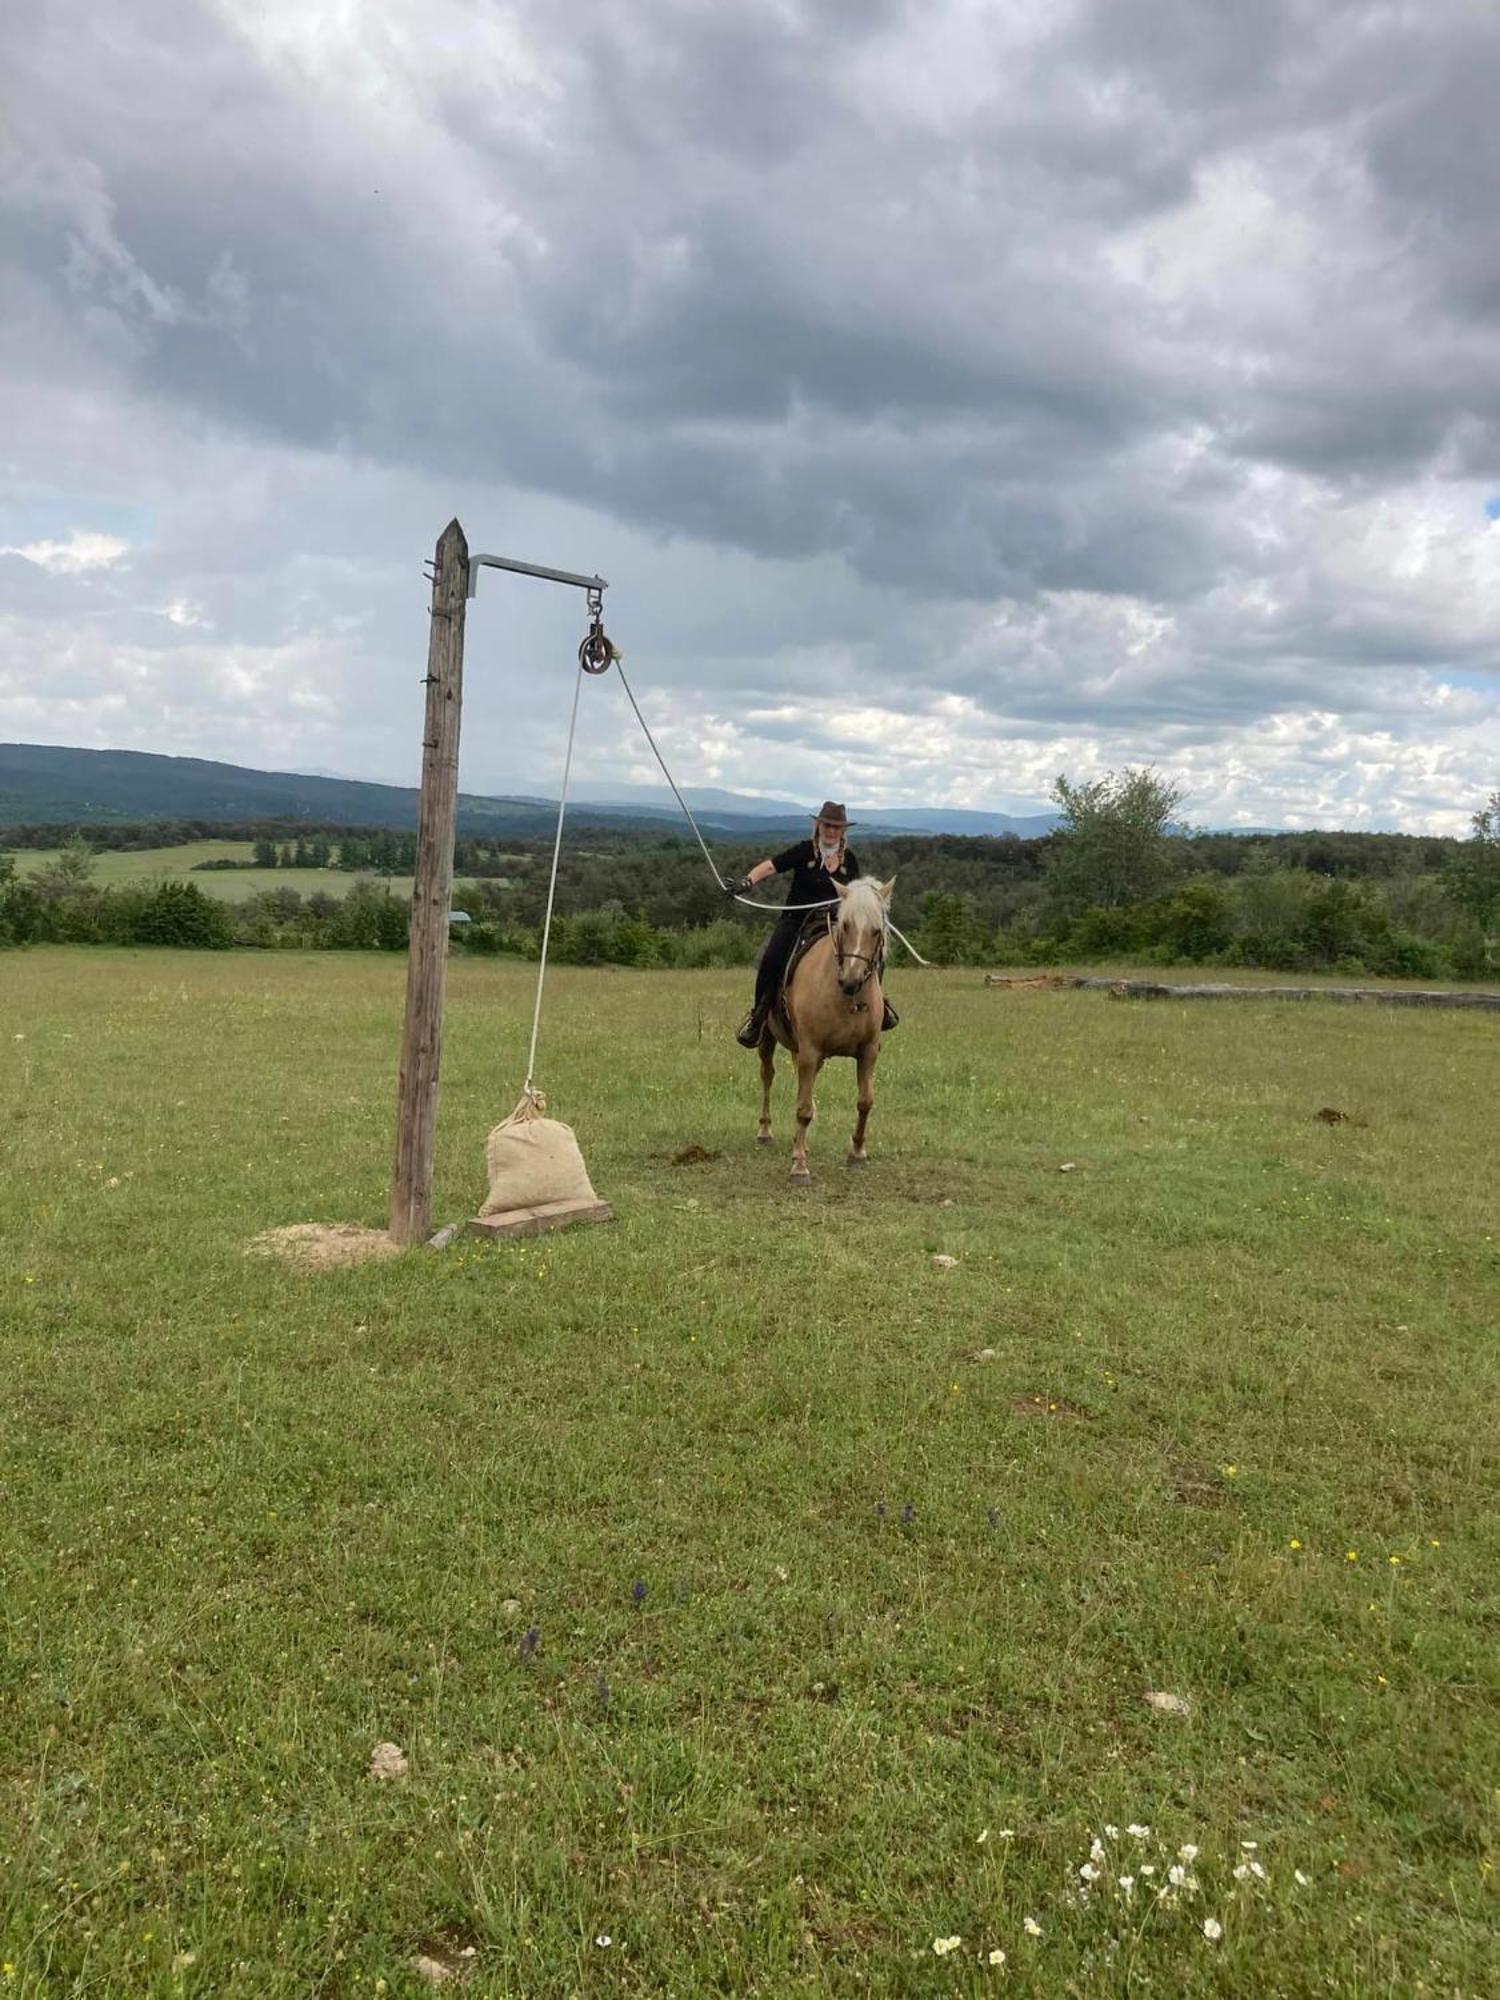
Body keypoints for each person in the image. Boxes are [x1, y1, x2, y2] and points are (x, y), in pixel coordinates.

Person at [728, 801, 897, 1047]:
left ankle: (878, 1008)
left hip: (836, 922)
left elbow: (856, 895)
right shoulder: (804, 851)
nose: (831, 832)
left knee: (874, 952)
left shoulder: (849, 860)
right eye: (827, 826)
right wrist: (747, 882)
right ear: (818, 826)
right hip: (797, 920)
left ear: (843, 831)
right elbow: (770, 866)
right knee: (772, 959)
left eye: (836, 828)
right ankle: (758, 1016)